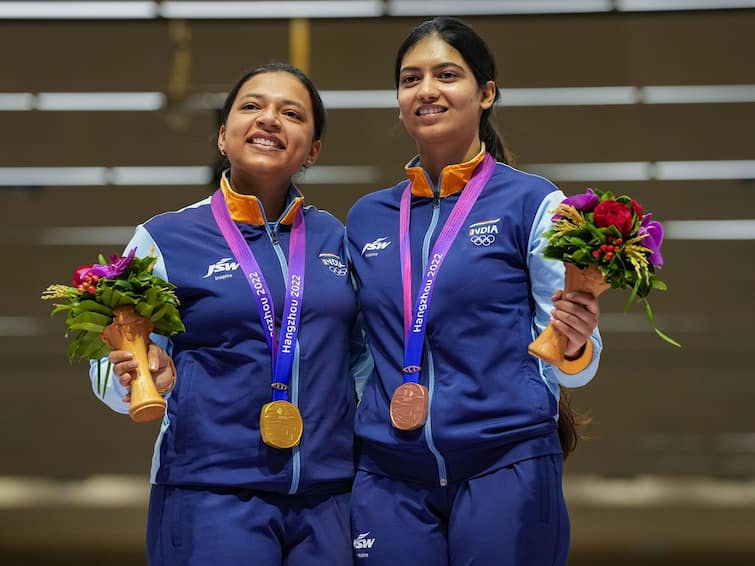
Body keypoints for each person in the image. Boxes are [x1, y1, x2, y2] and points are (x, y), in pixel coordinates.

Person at [346, 17, 602, 565]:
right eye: (410, 78)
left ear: (485, 93)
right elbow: (360, 354)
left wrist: (578, 344)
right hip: (390, 475)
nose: (427, 90)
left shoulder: (533, 203)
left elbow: (571, 360)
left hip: (504, 462)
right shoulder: (367, 219)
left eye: (446, 75)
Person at [90, 63, 368, 566]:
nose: (269, 120)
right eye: (251, 106)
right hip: (211, 493)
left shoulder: (337, 240)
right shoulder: (165, 239)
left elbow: (364, 363)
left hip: (330, 496)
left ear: (313, 149)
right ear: (223, 136)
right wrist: (139, 371)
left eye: (291, 113)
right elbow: (110, 364)